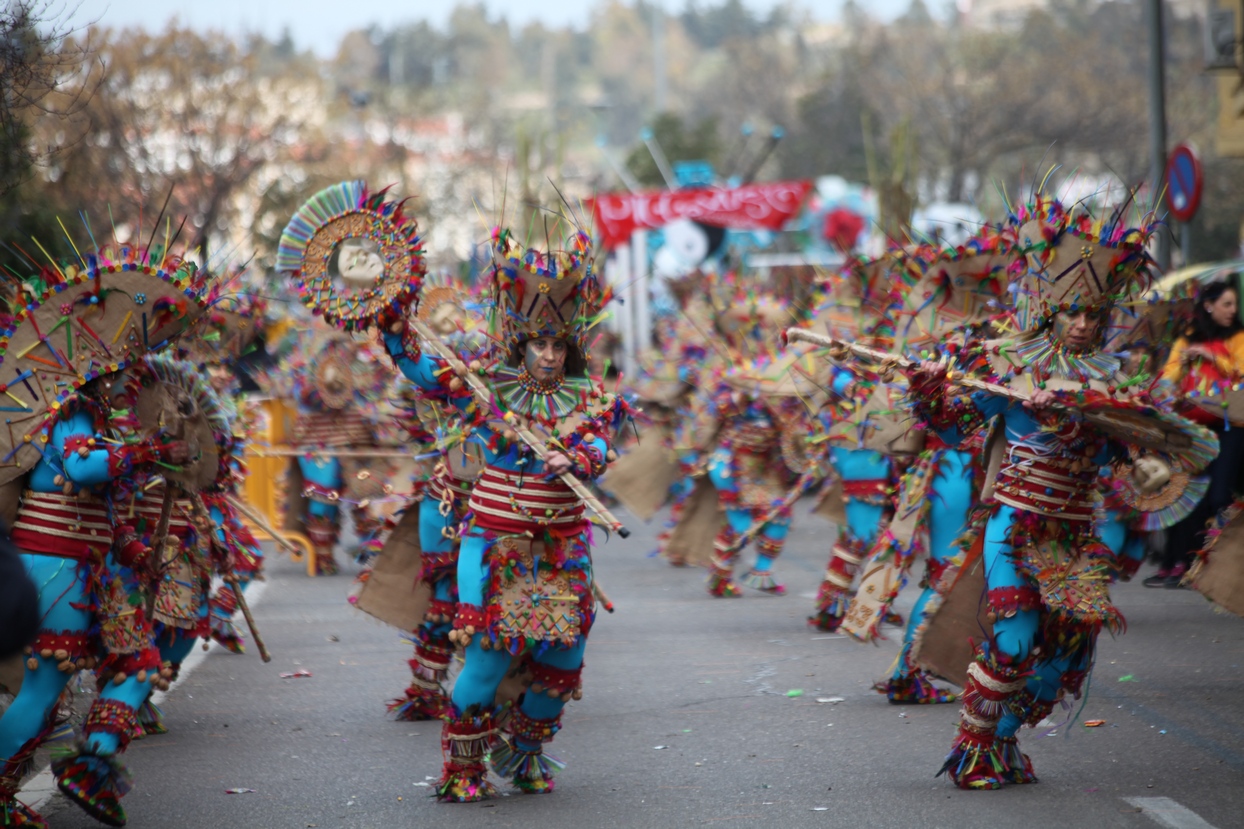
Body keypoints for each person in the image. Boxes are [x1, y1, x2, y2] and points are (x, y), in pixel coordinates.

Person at [906, 197, 1214, 789]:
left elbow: (1131, 457)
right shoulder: (1010, 366)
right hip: (1015, 521)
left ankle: (1001, 740)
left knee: (1066, 661)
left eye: (1091, 316)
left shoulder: (1114, 382)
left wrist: (1089, 425)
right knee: (1015, 643)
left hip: (1073, 534)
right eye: (1072, 312)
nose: (1081, 324)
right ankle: (971, 755)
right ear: (1051, 310)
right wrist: (928, 392)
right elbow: (953, 428)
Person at [384, 226, 630, 801]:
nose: (548, 355)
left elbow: (602, 447)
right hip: (493, 543)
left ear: (570, 348)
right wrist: (395, 334)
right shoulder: (484, 388)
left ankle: (521, 751)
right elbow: (424, 374)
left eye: (558, 346)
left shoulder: (592, 398)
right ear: (520, 345)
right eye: (538, 344)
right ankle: (463, 767)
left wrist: (579, 455)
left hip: (565, 548)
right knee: (489, 653)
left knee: (564, 662)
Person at [1149, 278, 1244, 587]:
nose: (1232, 310)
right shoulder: (1187, 340)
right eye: (1226, 304)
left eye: (1234, 304)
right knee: (1188, 495)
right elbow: (1169, 377)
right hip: (1194, 427)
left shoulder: (1239, 337)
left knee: (1219, 496)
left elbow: (1241, 371)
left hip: (1232, 428)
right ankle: (1184, 564)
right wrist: (1168, 393)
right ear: (1209, 306)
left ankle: (1218, 566)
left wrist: (1213, 357)